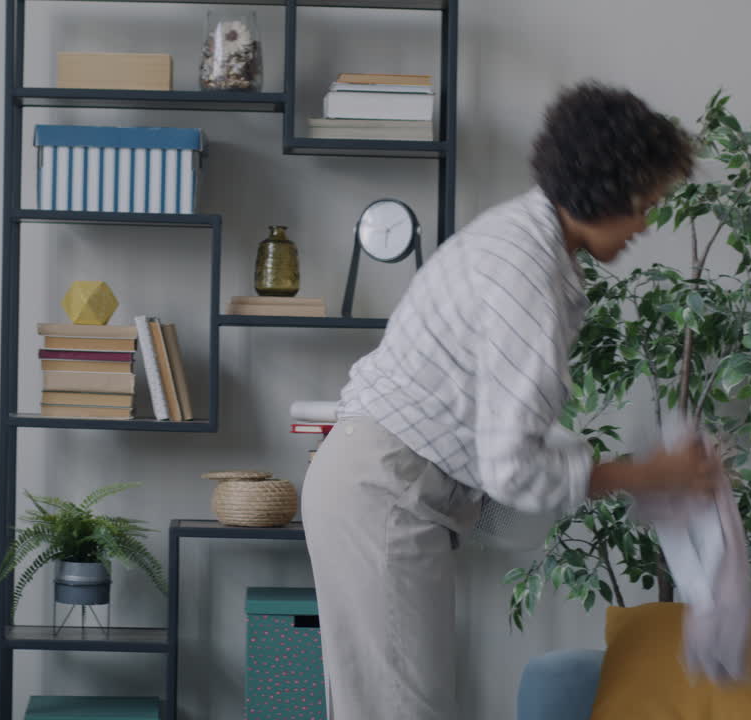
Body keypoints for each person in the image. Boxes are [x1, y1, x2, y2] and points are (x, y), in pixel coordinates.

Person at [302, 80, 719, 720]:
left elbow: (498, 435)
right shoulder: (527, 273)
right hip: (383, 490)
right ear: (608, 186)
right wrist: (646, 476)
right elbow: (511, 469)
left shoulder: (527, 246)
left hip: (384, 484)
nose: (646, 223)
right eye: (647, 202)